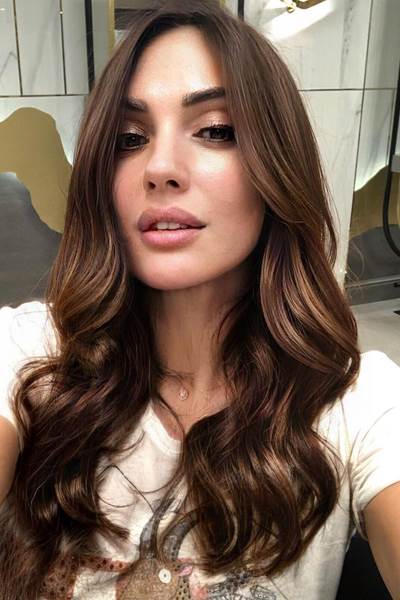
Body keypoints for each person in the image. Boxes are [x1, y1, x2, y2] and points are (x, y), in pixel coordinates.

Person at [0, 1, 399, 598]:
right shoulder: (31, 355)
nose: (159, 167)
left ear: (275, 167)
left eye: (215, 130)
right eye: (129, 139)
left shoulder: (356, 406)